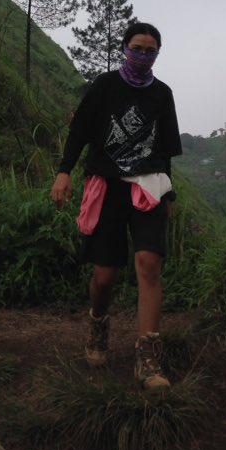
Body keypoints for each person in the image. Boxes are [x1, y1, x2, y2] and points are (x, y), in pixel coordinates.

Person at [50, 22, 182, 393]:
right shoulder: (105, 87)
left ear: (158, 53)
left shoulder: (162, 95)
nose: (143, 55)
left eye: (150, 50)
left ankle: (148, 359)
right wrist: (64, 172)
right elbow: (80, 133)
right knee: (105, 277)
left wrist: (167, 196)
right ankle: (98, 323)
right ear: (124, 48)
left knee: (149, 264)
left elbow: (165, 151)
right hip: (107, 187)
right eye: (137, 48)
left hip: (149, 187)